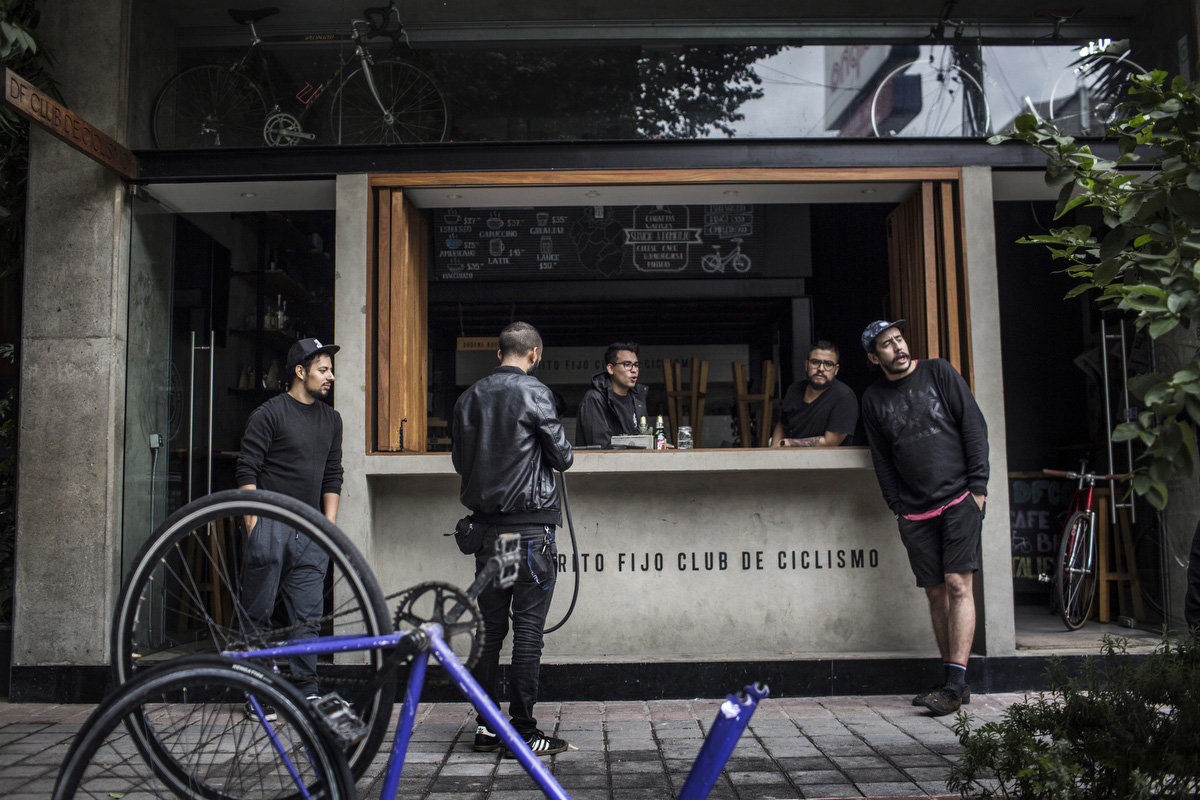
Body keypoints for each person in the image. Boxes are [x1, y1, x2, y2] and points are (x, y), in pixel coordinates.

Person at [452, 321, 574, 756]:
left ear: (498, 352)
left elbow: (458, 461)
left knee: (489, 633)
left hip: (488, 534)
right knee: (527, 634)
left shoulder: (468, 398)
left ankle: (487, 727)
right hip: (529, 535)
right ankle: (523, 731)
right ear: (534, 354)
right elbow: (563, 457)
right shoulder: (535, 391)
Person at [859, 320, 989, 716]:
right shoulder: (873, 398)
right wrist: (897, 507)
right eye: (886, 344)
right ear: (873, 357)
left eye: (899, 339)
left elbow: (973, 427)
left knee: (957, 584)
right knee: (935, 593)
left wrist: (978, 490)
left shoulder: (938, 372)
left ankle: (953, 685)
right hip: (915, 512)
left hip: (958, 499)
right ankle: (954, 681)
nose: (897, 347)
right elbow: (880, 458)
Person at [235, 337, 343, 711]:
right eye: (323, 369)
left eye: (330, 369)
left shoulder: (332, 419)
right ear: (300, 372)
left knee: (308, 616)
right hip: (270, 525)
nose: (331, 376)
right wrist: (254, 526)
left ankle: (305, 690)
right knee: (258, 614)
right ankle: (258, 693)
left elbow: (333, 476)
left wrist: (327, 528)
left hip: (311, 529)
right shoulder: (269, 413)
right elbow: (247, 469)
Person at [770, 340, 859, 447]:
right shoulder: (794, 390)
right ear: (807, 365)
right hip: (791, 460)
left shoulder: (844, 397)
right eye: (815, 362)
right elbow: (782, 425)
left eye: (828, 364)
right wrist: (774, 450)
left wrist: (786, 443)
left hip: (830, 462)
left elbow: (829, 442)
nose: (821, 369)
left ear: (836, 370)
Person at [576, 342, 648, 448]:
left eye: (636, 365)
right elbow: (601, 447)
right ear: (611, 368)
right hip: (608, 463)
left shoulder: (638, 399)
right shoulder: (595, 399)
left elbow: (643, 439)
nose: (634, 370)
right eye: (627, 365)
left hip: (636, 463)